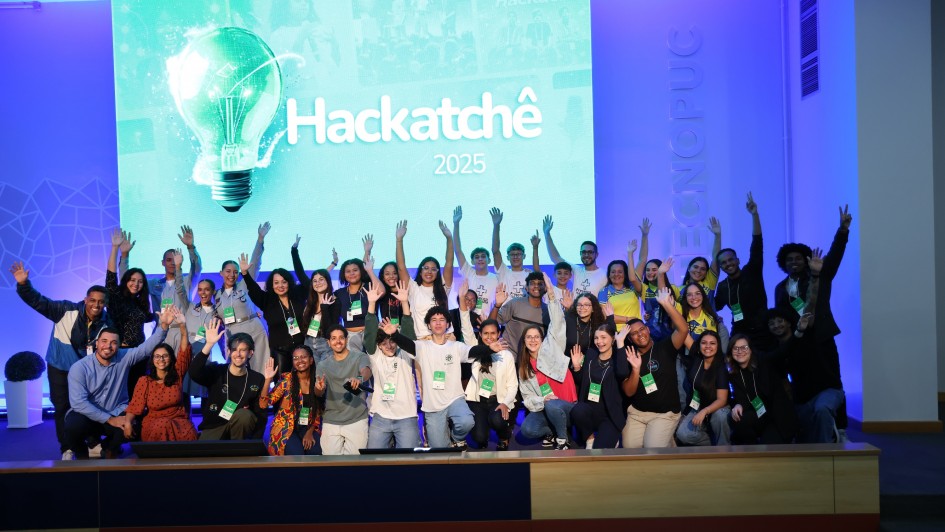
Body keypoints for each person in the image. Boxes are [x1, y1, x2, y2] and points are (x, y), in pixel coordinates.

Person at [11, 261, 112, 460]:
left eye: (101, 302)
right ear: (85, 299)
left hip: (85, 370)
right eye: (92, 300)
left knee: (89, 405)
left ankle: (92, 441)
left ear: (105, 304)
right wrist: (24, 285)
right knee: (62, 406)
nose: (96, 305)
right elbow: (39, 302)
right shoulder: (66, 310)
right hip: (60, 366)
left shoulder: (107, 322)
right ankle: (67, 447)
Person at [773, 205, 852, 440]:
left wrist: (843, 231)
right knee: (802, 380)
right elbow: (780, 316)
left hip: (821, 338)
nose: (794, 262)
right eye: (789, 260)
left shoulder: (820, 276)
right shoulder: (781, 288)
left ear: (806, 260)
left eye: (798, 258)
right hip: (798, 342)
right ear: (783, 264)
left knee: (832, 381)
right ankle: (808, 427)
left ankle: (842, 428)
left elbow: (835, 255)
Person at [63, 306, 175, 459]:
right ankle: (81, 453)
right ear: (97, 344)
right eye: (104, 341)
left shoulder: (124, 356)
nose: (108, 346)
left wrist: (163, 327)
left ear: (119, 345)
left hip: (116, 410)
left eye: (113, 342)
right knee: (72, 426)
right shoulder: (79, 368)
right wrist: (109, 419)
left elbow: (145, 349)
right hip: (88, 414)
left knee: (133, 425)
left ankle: (109, 449)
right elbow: (79, 403)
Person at [388, 283, 478, 448]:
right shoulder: (422, 347)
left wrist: (489, 348)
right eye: (434, 320)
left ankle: (457, 438)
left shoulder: (456, 346)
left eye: (442, 320)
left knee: (467, 422)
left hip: (454, 399)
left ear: (447, 325)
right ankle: (445, 442)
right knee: (439, 449)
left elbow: (473, 351)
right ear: (428, 325)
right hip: (432, 405)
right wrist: (394, 334)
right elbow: (407, 344)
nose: (438, 323)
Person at [620, 286, 690, 448]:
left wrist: (666, 304)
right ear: (630, 339)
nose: (640, 334)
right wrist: (636, 369)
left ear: (648, 329)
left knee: (651, 451)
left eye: (642, 329)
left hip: (664, 414)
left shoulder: (665, 347)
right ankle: (668, 443)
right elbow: (629, 391)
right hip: (638, 414)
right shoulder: (627, 355)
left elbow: (683, 329)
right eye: (634, 333)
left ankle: (665, 441)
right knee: (630, 449)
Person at [518, 273, 577, 450]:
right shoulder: (524, 366)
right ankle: (552, 431)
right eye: (529, 337)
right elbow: (527, 399)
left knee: (553, 406)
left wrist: (552, 296)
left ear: (543, 339)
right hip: (546, 406)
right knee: (527, 430)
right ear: (524, 341)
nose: (533, 340)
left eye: (537, 336)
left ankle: (562, 438)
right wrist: (543, 399)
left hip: (565, 404)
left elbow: (557, 324)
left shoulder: (553, 347)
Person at [715, 193, 774, 350]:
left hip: (763, 331)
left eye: (730, 260)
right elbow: (713, 305)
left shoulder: (752, 270)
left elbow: (757, 243)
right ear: (721, 267)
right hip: (740, 334)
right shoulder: (722, 287)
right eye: (724, 263)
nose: (728, 264)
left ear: (737, 260)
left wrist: (755, 215)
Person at [125, 312, 198, 442]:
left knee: (190, 434)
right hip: (154, 424)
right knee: (163, 424)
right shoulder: (145, 381)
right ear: (152, 360)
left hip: (178, 421)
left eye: (165, 356)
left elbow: (184, 351)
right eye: (157, 356)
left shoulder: (177, 374)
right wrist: (128, 423)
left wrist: (182, 326)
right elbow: (134, 407)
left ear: (171, 358)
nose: (161, 360)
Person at [365, 281, 421, 449]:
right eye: (383, 343)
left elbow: (409, 337)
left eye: (392, 342)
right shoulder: (375, 356)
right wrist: (372, 304)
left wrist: (405, 303)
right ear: (378, 345)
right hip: (381, 417)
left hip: (407, 417)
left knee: (409, 462)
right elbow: (369, 334)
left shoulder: (405, 353)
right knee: (373, 461)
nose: (388, 346)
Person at [190, 321, 268, 440]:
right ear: (228, 352)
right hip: (214, 426)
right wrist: (209, 344)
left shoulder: (257, 379)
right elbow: (194, 373)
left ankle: (238, 453)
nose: (238, 354)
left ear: (250, 353)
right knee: (204, 456)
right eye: (234, 349)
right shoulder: (217, 371)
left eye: (243, 350)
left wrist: (257, 443)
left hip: (239, 429)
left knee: (244, 415)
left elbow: (260, 413)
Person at [217, 222, 273, 375]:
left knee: (261, 369)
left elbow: (256, 262)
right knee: (237, 373)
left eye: (235, 272)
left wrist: (260, 239)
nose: (232, 275)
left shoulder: (244, 284)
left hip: (254, 328)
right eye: (228, 271)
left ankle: (262, 397)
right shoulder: (215, 296)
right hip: (233, 334)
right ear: (221, 273)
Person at [241, 253, 306, 373]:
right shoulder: (267, 301)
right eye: (276, 283)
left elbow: (306, 280)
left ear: (289, 283)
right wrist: (245, 274)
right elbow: (254, 289)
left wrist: (294, 253)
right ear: (272, 284)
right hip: (280, 351)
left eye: (284, 282)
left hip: (301, 349)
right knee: (282, 386)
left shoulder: (298, 296)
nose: (280, 286)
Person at [727, 334, 798, 444]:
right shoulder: (734, 373)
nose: (739, 351)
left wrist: (798, 333)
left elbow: (781, 353)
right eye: (735, 348)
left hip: (776, 416)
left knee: (768, 447)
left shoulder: (763, 362)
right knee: (737, 420)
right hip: (758, 415)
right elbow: (742, 398)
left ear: (750, 350)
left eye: (744, 347)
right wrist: (738, 404)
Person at [568, 323, 630, 448]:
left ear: (612, 339)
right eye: (596, 338)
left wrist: (621, 343)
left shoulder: (619, 358)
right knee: (577, 410)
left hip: (609, 415)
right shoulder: (591, 355)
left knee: (600, 451)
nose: (599, 341)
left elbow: (623, 373)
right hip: (589, 411)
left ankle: (612, 439)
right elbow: (581, 380)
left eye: (603, 337)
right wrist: (576, 367)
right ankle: (589, 437)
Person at [314, 325, 372, 455]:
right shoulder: (323, 365)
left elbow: (366, 371)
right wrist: (319, 388)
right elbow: (318, 392)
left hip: (356, 418)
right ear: (329, 343)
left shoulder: (359, 357)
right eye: (333, 338)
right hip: (331, 419)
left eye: (341, 338)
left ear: (346, 339)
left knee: (355, 464)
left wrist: (359, 378)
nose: (338, 341)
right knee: (330, 464)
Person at [395, 219, 455, 338]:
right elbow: (401, 267)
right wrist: (399, 240)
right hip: (423, 339)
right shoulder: (413, 287)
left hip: (446, 337)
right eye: (426, 268)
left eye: (433, 269)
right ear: (420, 271)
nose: (429, 271)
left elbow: (449, 262)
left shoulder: (443, 286)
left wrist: (449, 238)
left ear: (438, 272)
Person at [464, 319, 518, 450]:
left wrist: (505, 403)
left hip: (498, 400)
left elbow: (512, 385)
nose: (489, 337)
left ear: (499, 333)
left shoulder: (506, 356)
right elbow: (466, 331)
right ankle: (483, 427)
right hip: (478, 401)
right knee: (479, 438)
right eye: (485, 333)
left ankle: (504, 436)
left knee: (497, 420)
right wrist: (462, 302)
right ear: (480, 334)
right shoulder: (476, 352)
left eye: (493, 333)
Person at [260, 347, 322, 456]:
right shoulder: (286, 379)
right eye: (295, 358)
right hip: (285, 425)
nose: (300, 361)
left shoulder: (317, 381)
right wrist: (268, 380)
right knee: (297, 454)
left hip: (307, 426)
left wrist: (310, 432)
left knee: (315, 451)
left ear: (311, 360)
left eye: (303, 357)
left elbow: (318, 410)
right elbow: (264, 404)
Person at [674, 331, 732, 446]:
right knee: (682, 434)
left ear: (718, 346)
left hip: (717, 407)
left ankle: (724, 447)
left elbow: (722, 400)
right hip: (698, 406)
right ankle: (713, 443)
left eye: (712, 343)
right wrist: (685, 414)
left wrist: (705, 411)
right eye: (704, 343)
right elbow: (682, 330)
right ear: (699, 346)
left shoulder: (721, 367)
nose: (708, 346)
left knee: (720, 416)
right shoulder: (697, 359)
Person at [291, 236, 340, 363]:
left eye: (321, 280)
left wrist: (324, 307)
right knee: (313, 379)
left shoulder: (334, 300)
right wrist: (294, 250)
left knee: (324, 378)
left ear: (328, 281)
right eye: (314, 281)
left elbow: (331, 328)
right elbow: (300, 272)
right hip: (308, 342)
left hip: (326, 344)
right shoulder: (311, 298)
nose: (318, 283)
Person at [106, 228, 154, 348]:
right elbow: (111, 275)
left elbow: (147, 318)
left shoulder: (139, 302)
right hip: (122, 351)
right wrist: (115, 248)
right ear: (126, 281)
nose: (136, 284)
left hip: (139, 351)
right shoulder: (116, 297)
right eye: (132, 280)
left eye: (140, 281)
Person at [542, 215, 606, 296]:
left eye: (590, 252)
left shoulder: (604, 274)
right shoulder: (577, 271)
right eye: (584, 252)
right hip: (576, 309)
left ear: (596, 255)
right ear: (580, 254)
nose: (586, 255)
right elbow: (555, 258)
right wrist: (547, 234)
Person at [145, 225, 201, 317]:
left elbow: (197, 267)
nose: (173, 263)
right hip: (162, 328)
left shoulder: (187, 281)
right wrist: (124, 256)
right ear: (163, 263)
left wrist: (191, 247)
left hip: (181, 328)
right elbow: (128, 283)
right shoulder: (153, 284)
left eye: (175, 260)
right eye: (169, 260)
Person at [453, 206, 499, 316]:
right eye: (477, 257)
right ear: (472, 261)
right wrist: (456, 224)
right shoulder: (469, 273)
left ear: (489, 260)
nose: (480, 259)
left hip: (489, 321)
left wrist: (496, 225)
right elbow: (458, 250)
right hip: (468, 319)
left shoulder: (496, 278)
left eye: (483, 256)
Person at [493, 271, 550, 354]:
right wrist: (497, 305)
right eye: (532, 283)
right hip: (509, 357)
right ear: (526, 287)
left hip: (533, 360)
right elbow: (492, 323)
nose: (536, 286)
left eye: (540, 284)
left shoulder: (549, 311)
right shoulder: (515, 303)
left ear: (546, 288)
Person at [490, 207, 541, 299]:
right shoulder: (503, 271)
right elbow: (495, 251)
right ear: (508, 257)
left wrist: (535, 248)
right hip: (506, 312)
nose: (515, 257)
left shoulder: (529, 274)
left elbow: (538, 273)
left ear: (524, 256)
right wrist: (496, 225)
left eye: (518, 254)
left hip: (525, 312)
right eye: (512, 254)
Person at [333, 257, 371, 353]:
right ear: (343, 274)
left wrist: (369, 269)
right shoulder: (339, 293)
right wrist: (333, 264)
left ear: (361, 271)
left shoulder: (369, 287)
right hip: (350, 337)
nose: (352, 274)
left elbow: (382, 291)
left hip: (370, 334)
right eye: (348, 271)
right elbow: (319, 283)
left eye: (355, 270)